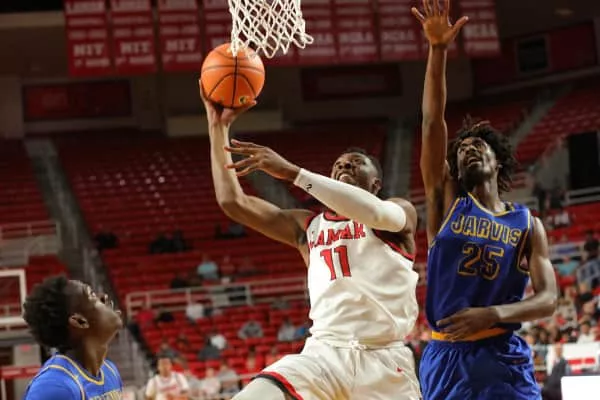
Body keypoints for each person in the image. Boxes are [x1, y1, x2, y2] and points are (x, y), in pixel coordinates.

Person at [201, 78, 421, 399]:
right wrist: (217, 128)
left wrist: (294, 173)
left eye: (356, 164)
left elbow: (374, 213)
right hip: (323, 355)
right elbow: (233, 203)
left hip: (384, 362)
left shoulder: (399, 212)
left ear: (376, 184)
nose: (344, 166)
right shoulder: (308, 226)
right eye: (338, 165)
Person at [413, 1, 558, 399]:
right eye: (461, 150)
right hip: (447, 357)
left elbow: (548, 299)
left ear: (499, 161)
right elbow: (431, 122)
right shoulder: (446, 203)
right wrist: (438, 51)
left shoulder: (527, 224)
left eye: (478, 146)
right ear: (455, 171)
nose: (468, 150)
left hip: (503, 353)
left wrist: (494, 314)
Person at [22, 275, 124, 400]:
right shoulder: (54, 386)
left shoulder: (109, 371)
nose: (104, 297)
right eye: (92, 295)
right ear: (80, 321)